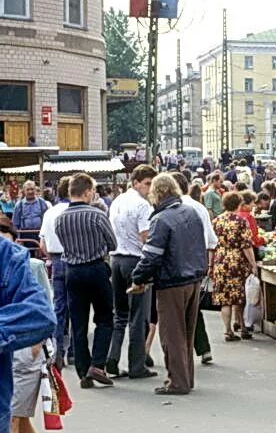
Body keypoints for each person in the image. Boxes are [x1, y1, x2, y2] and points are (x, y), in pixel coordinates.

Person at [131, 174, 207, 396]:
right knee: (187, 333)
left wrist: (138, 278)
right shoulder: (191, 212)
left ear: (158, 193)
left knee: (171, 335)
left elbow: (151, 257)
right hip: (193, 279)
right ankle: (186, 378)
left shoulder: (161, 219)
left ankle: (177, 382)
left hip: (172, 282)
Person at [0, 228, 56, 433]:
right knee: (18, 419)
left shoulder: (14, 259)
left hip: (24, 358)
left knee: (14, 419)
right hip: (16, 356)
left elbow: (42, 313)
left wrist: (37, 344)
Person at [55, 173, 117, 388]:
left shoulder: (60, 218)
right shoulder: (97, 215)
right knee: (105, 318)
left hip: (72, 271)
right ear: (88, 191)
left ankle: (83, 370)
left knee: (78, 322)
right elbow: (113, 243)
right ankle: (98, 364)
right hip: (96, 268)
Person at [107, 165, 157, 379]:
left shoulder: (118, 200)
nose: (149, 188)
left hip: (116, 259)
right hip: (135, 260)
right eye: (147, 184)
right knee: (138, 316)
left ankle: (112, 358)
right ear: (136, 182)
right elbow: (145, 237)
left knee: (119, 314)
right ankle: (137, 365)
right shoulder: (142, 205)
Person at [173, 172, 218, 365]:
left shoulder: (169, 208)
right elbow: (211, 241)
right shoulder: (198, 207)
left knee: (172, 311)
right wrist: (208, 265)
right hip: (197, 264)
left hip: (175, 266)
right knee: (193, 307)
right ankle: (203, 348)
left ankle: (181, 352)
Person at [210, 193, 257, 342]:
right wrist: (253, 264)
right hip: (236, 261)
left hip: (220, 260)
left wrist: (210, 264)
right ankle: (243, 327)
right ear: (238, 204)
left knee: (225, 298)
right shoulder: (241, 221)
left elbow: (211, 245)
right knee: (239, 297)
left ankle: (227, 330)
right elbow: (246, 246)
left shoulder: (216, 221)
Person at [39, 176, 72, 368]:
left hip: (57, 259)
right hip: (76, 259)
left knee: (59, 307)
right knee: (77, 306)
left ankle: (58, 351)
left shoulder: (50, 212)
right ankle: (75, 352)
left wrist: (51, 255)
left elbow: (42, 243)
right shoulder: (75, 211)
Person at [11, 180, 50, 249]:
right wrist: (18, 238)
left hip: (39, 234)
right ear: (24, 191)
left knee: (41, 257)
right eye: (28, 189)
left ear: (35, 189)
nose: (30, 191)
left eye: (32, 189)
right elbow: (15, 224)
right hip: (25, 236)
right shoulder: (19, 205)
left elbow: (47, 221)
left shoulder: (42, 203)